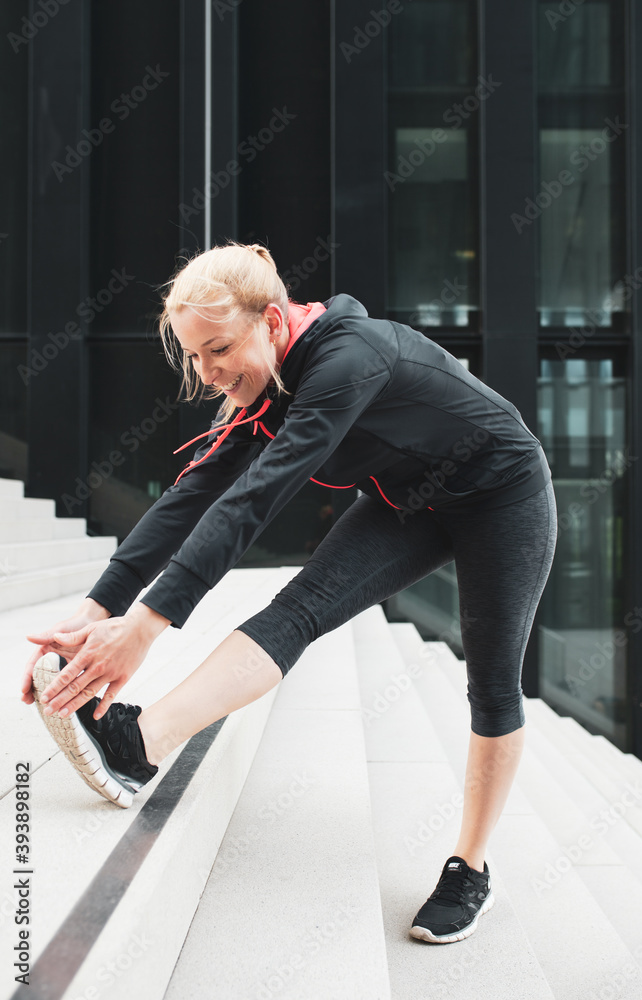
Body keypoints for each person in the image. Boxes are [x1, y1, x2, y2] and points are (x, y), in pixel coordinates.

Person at [21, 240, 557, 945]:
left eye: (218, 350)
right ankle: (137, 746)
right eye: (194, 359)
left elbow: (256, 500)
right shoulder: (263, 384)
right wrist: (97, 611)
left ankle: (469, 867)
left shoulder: (348, 359)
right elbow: (194, 495)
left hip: (502, 496)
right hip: (406, 502)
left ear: (271, 323)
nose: (209, 374)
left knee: (491, 685)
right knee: (296, 610)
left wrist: (145, 629)